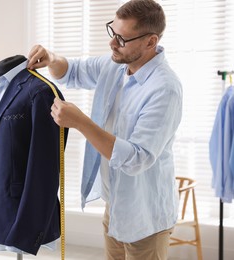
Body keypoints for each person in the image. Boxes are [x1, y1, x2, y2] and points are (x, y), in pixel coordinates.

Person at [27, 0, 182, 259]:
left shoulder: (164, 89)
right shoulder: (116, 65)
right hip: (116, 206)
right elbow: (72, 71)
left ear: (150, 42)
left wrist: (81, 123)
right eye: (113, 32)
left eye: (122, 39)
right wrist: (52, 57)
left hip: (146, 217)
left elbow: (136, 158)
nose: (112, 44)